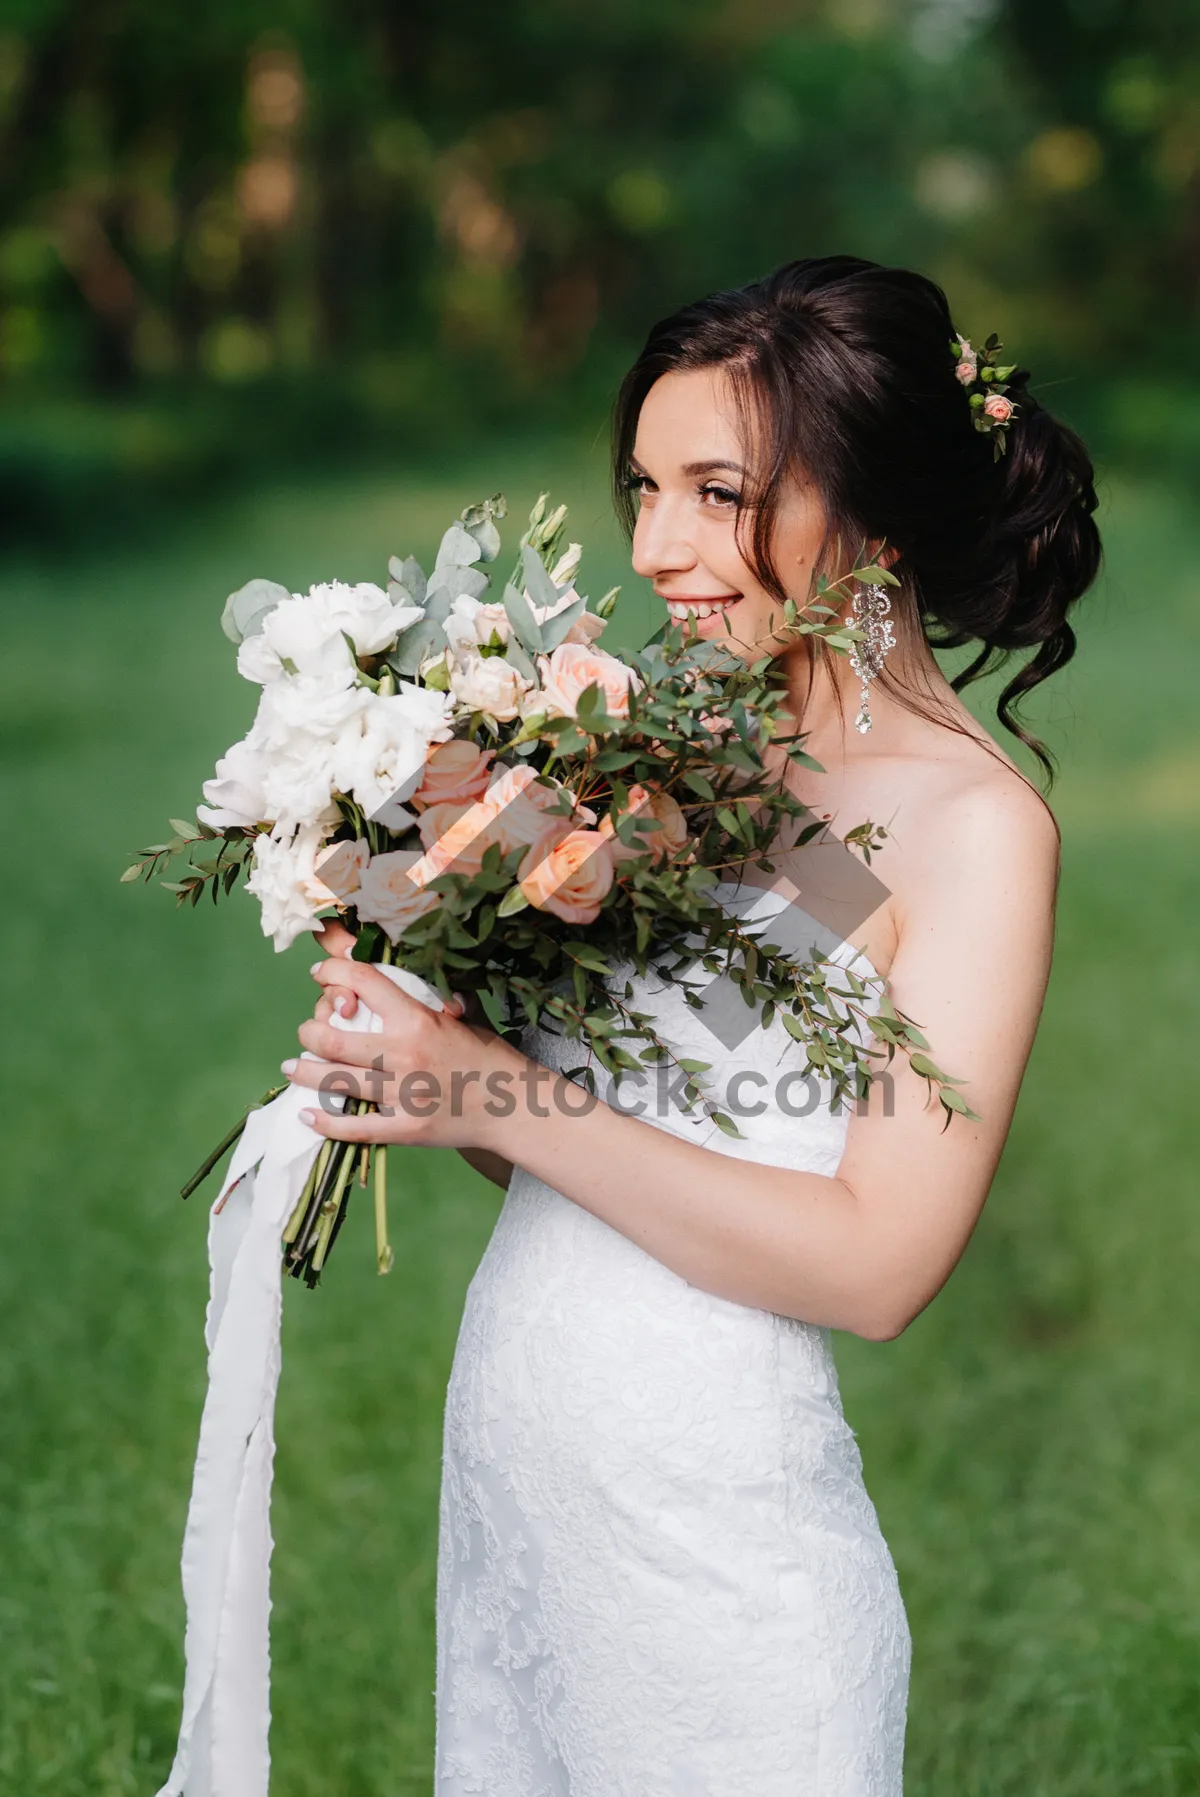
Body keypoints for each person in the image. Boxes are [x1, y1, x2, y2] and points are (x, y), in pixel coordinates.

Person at [284, 256, 1101, 1794]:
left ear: (878, 515)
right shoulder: (699, 764)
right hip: (534, 1513)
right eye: (642, 485)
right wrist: (429, 1036)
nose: (656, 547)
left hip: (722, 1568)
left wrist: (491, 1098)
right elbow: (609, 1152)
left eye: (718, 494)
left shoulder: (968, 826)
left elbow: (876, 1263)